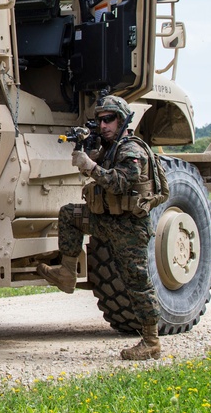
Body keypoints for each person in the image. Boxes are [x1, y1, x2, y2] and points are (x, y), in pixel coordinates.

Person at [36, 94, 162, 361]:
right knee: (70, 215)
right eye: (100, 120)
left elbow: (119, 184)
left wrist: (90, 166)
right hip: (107, 221)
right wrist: (90, 156)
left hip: (129, 228)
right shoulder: (111, 148)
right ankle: (67, 273)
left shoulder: (131, 150)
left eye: (109, 119)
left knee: (137, 282)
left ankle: (151, 341)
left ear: (123, 120)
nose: (103, 125)